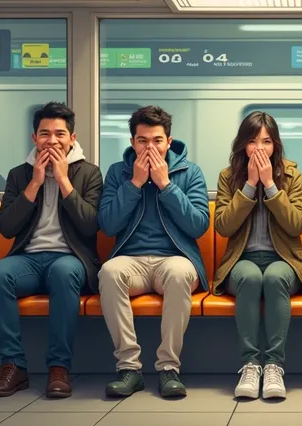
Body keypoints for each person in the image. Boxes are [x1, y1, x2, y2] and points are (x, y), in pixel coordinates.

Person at [0, 102, 102, 398]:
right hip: (28, 260)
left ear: (72, 139)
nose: (52, 141)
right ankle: (13, 365)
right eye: (45, 134)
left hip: (70, 260)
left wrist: (62, 180)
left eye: (60, 134)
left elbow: (90, 226)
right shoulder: (19, 174)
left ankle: (58, 367)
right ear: (34, 138)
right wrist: (35, 183)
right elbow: (6, 227)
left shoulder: (89, 174)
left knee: (63, 272)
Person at [97, 106, 210, 398]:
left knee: (177, 273)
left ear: (169, 142)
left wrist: (166, 185)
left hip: (174, 259)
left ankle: (168, 369)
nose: (150, 148)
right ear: (133, 143)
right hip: (130, 261)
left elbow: (198, 225)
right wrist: (134, 184)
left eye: (157, 140)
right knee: (109, 272)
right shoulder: (118, 172)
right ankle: (129, 369)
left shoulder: (190, 171)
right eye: (143, 140)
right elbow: (108, 225)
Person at [213, 112, 302, 400]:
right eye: (253, 141)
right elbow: (222, 226)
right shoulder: (228, 176)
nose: (260, 148)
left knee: (272, 277)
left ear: (276, 145)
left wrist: (270, 185)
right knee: (249, 276)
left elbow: (297, 225)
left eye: (267, 141)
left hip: (285, 261)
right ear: (242, 145)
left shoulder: (292, 175)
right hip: (241, 261)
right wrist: (248, 187)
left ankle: (273, 366)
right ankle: (249, 364)